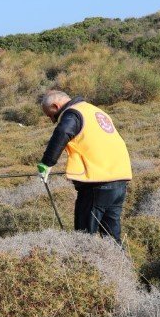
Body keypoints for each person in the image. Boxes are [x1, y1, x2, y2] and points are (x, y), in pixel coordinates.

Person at [36, 90, 132, 243]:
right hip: (119, 180)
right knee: (113, 238)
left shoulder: (72, 113)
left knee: (84, 238)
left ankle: (84, 265)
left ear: (55, 106)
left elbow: (63, 131)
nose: (52, 120)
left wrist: (46, 163)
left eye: (51, 115)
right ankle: (122, 265)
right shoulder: (95, 111)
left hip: (97, 184)